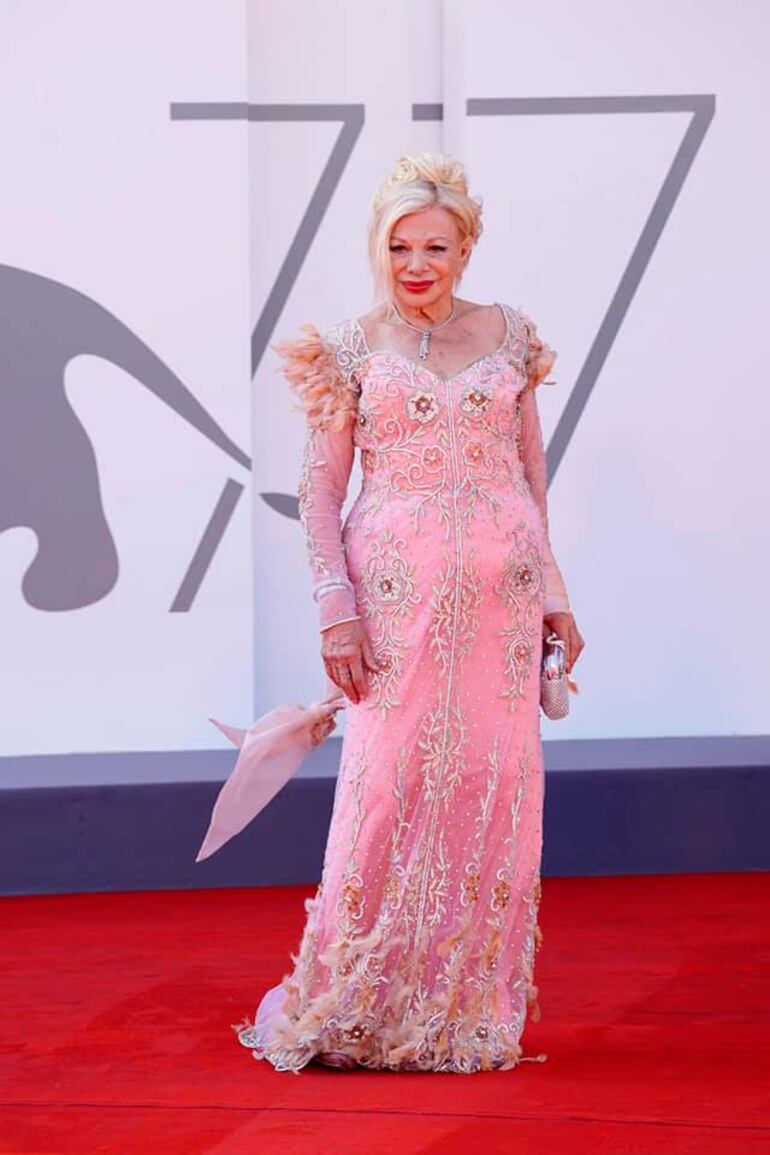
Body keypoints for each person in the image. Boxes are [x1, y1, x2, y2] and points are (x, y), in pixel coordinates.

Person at [233, 152, 585, 1074]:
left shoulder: (510, 335)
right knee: (385, 788)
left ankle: (464, 1010)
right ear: (377, 249)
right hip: (394, 603)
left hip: (502, 606)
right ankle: (357, 999)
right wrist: (335, 609)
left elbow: (529, 480)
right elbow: (318, 491)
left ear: (467, 248)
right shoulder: (352, 348)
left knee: (490, 790)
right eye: (399, 245)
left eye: (435, 245)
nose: (416, 263)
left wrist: (554, 593)